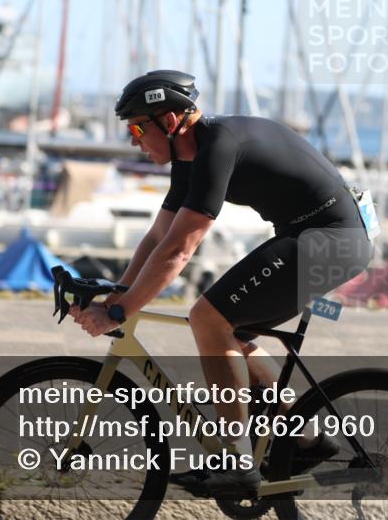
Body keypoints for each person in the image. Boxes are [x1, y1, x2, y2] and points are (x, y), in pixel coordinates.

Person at [71, 69, 372, 495]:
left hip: (327, 240)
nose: (133, 139)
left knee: (208, 318)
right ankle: (306, 435)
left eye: (138, 127)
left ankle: (237, 461)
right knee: (230, 329)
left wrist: (119, 312)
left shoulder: (218, 146)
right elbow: (159, 236)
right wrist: (117, 292)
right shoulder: (189, 157)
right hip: (314, 237)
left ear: (170, 122)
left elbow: (180, 250)